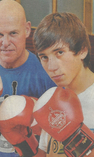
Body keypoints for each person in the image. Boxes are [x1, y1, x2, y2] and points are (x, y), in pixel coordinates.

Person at [0, 0, 56, 156]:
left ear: (27, 30)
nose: (5, 43)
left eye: (13, 33)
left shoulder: (47, 74)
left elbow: (58, 138)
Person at [33, 12, 94, 157]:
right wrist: (23, 141)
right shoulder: (52, 101)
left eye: (59, 52)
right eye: (44, 57)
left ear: (82, 50)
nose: (51, 67)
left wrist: (75, 139)